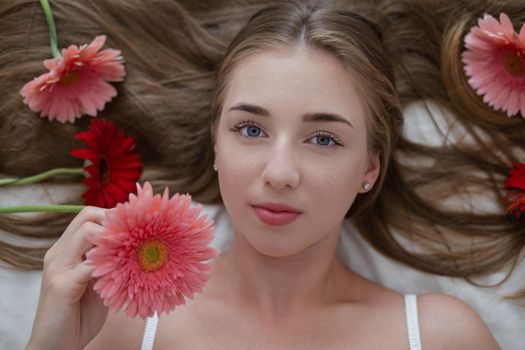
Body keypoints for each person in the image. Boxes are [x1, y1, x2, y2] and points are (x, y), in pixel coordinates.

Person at [22, 1, 504, 349]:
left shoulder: (442, 336)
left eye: (323, 139)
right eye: (250, 129)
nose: (279, 173)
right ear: (216, 143)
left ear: (369, 169)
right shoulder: (123, 323)